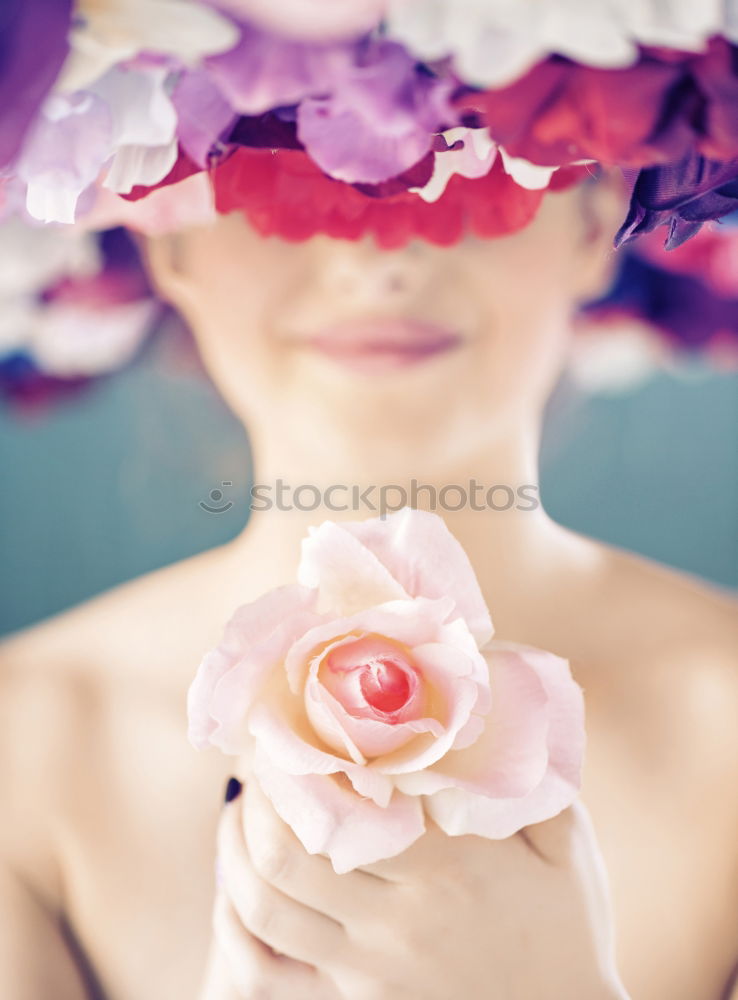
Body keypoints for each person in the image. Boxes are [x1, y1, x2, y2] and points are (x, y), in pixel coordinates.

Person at [0, 175, 736, 1000]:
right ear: (163, 232)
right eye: (284, 167)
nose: (375, 254)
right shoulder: (19, 744)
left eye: (467, 160)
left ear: (598, 217)